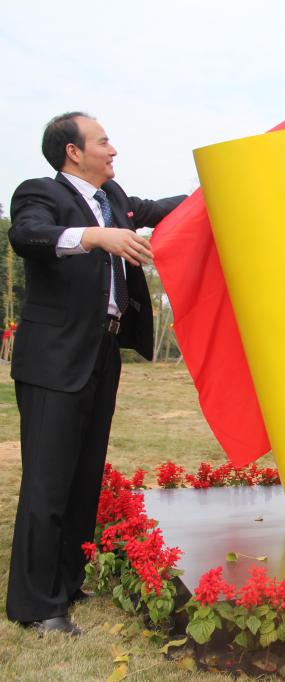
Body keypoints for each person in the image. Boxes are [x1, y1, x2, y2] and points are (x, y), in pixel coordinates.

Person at [6, 112, 185, 634]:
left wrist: (216, 187)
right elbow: (28, 236)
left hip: (103, 353)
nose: (113, 150)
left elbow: (159, 208)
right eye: (103, 141)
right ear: (73, 152)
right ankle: (38, 606)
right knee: (48, 480)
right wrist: (95, 237)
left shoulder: (115, 199)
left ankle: (67, 583)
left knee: (84, 477)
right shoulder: (40, 193)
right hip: (55, 357)